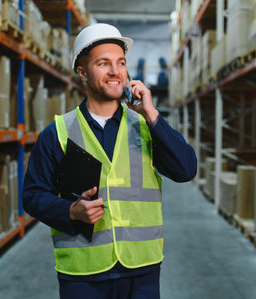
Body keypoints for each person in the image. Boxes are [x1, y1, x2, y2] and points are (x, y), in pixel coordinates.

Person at [22, 23, 197, 299]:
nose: (116, 72)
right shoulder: (57, 133)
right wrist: (70, 212)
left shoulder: (145, 127)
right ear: (82, 72)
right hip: (83, 273)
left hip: (142, 269)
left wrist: (153, 115)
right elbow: (32, 196)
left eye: (121, 63)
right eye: (103, 63)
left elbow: (186, 169)